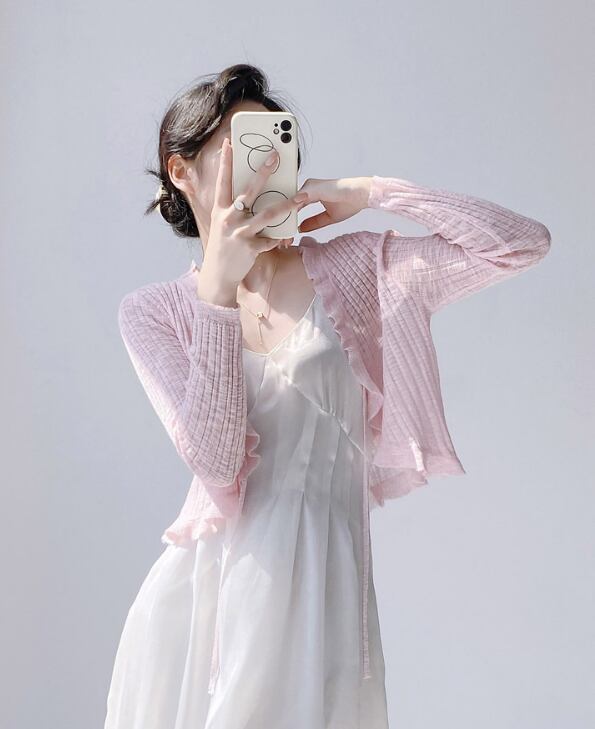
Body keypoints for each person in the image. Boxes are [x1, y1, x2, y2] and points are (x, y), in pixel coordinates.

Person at [104, 64, 551, 729]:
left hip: (326, 594)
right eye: (239, 148)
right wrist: (218, 296)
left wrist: (371, 192)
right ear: (181, 170)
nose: (259, 169)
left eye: (272, 147)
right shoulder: (154, 313)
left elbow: (520, 246)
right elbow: (218, 463)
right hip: (204, 615)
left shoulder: (360, 270)